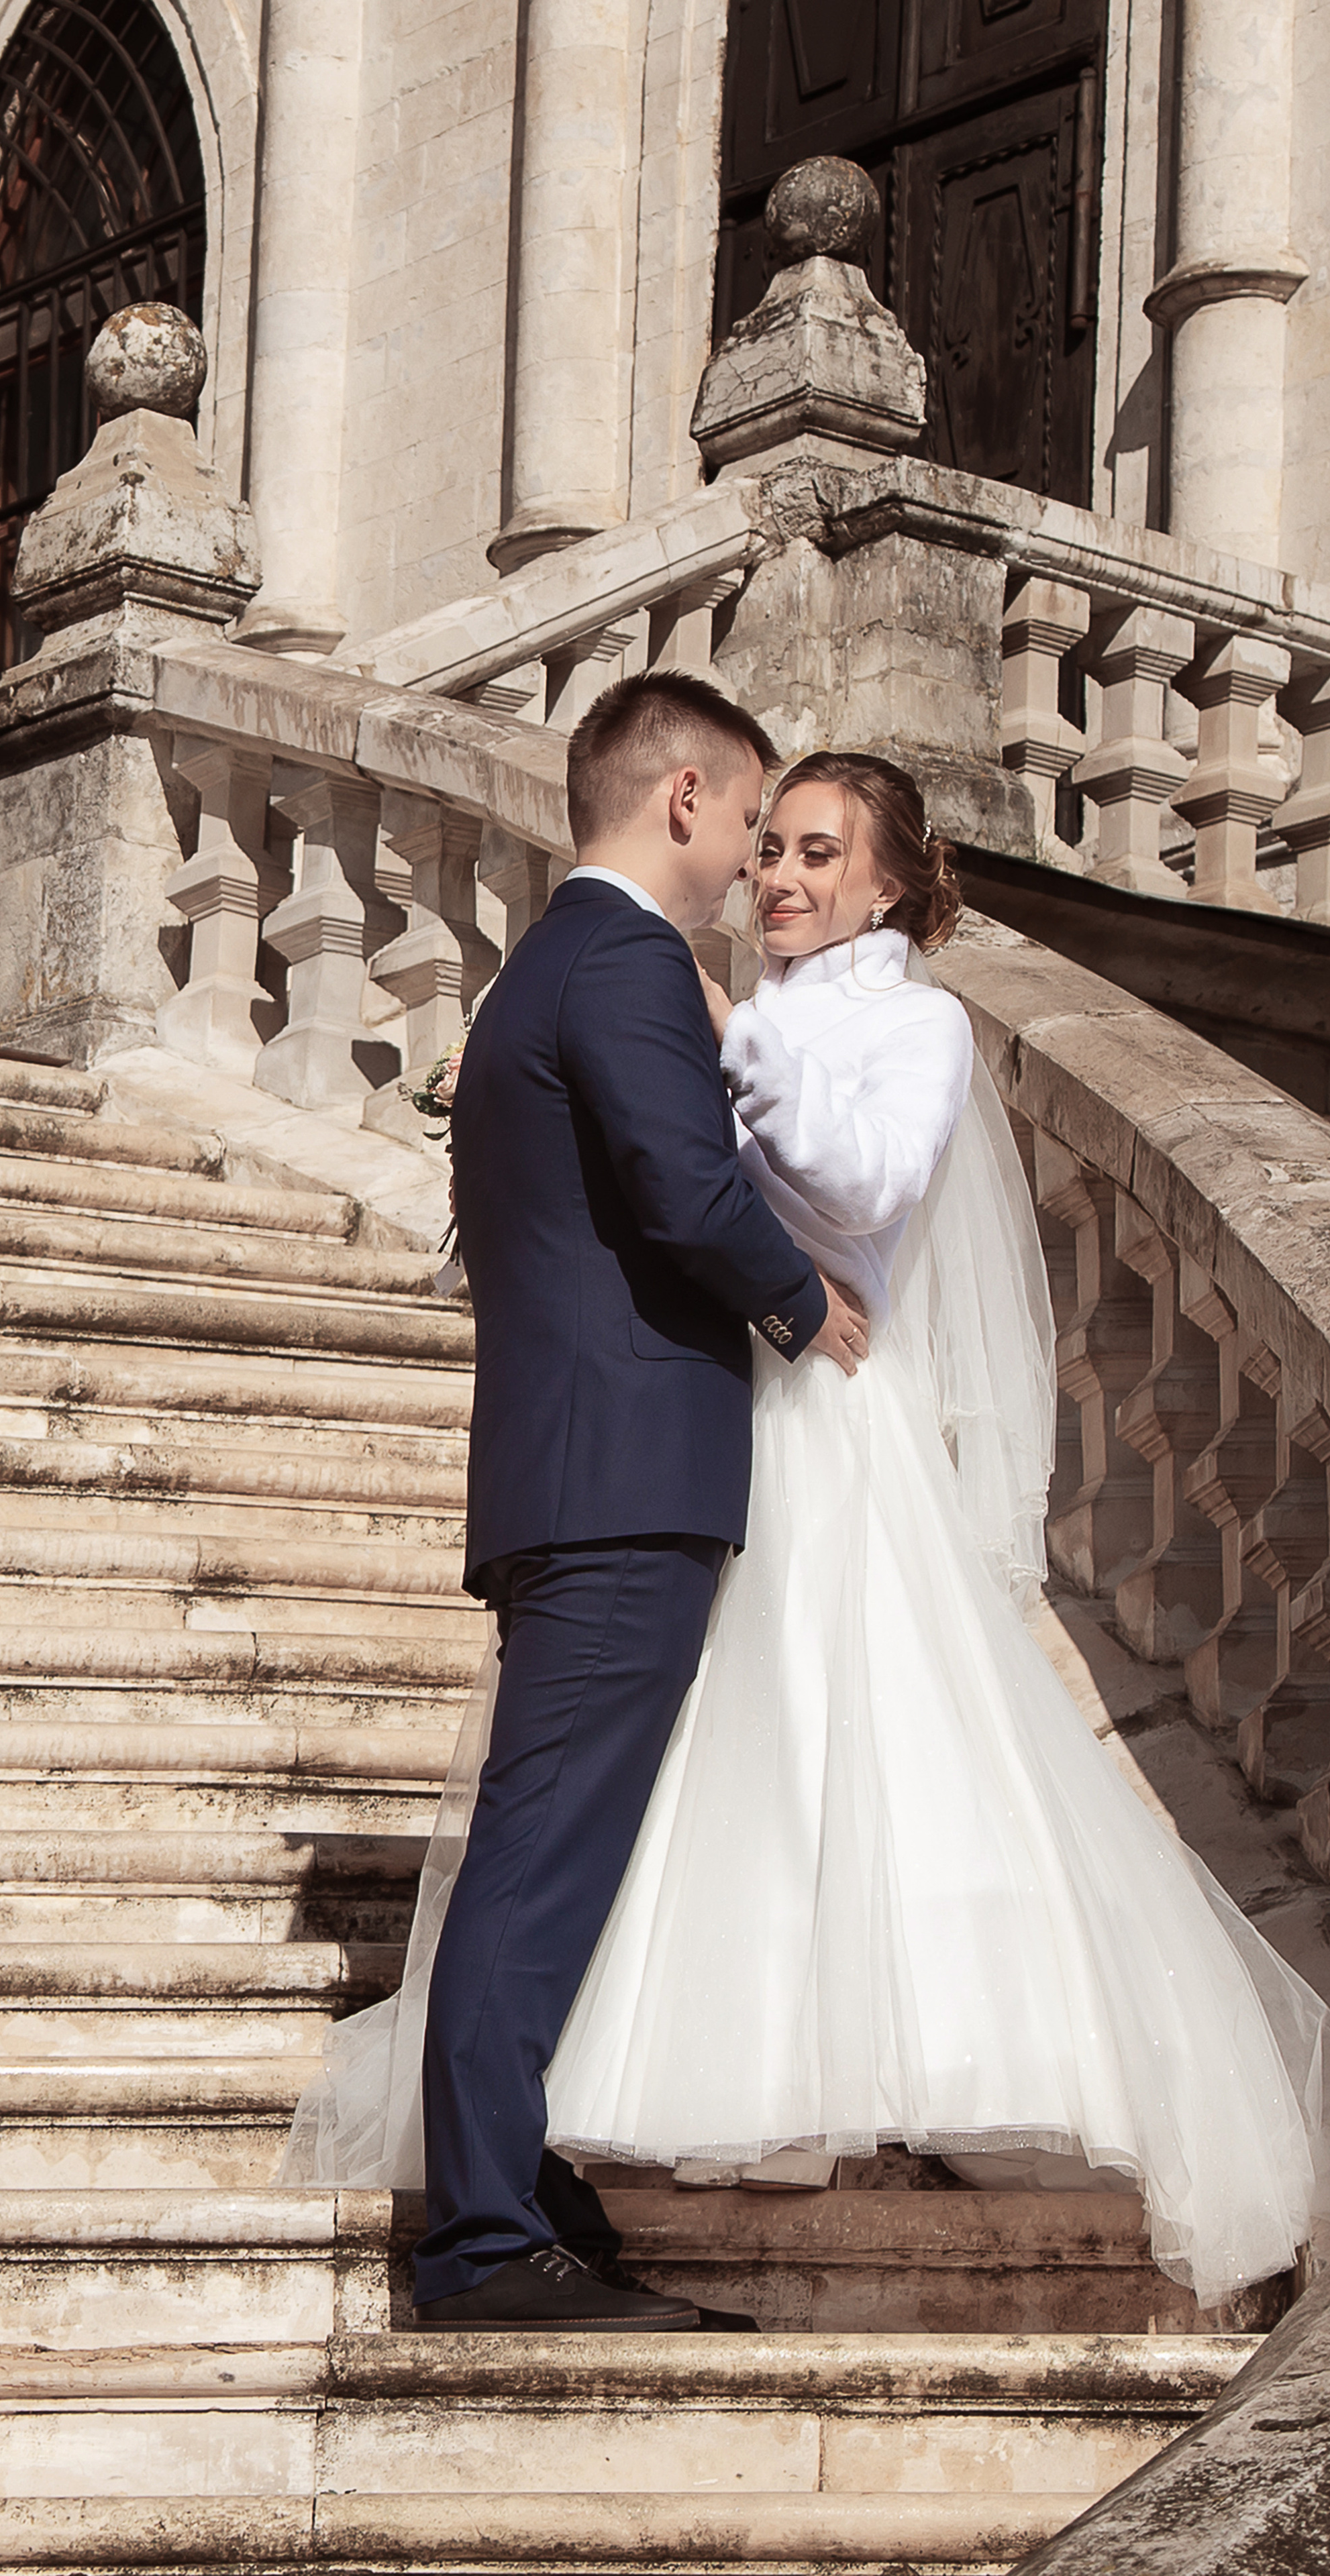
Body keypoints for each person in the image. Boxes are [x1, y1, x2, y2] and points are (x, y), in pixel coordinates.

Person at [285, 743, 1330, 2319]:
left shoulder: (908, 1023)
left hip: (819, 1405)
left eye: (815, 854)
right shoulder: (683, 993)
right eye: (770, 844)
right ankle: (539, 2161)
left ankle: (792, 2100)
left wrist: (741, 1069)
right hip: (715, 1417)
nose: (778, 877)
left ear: (885, 880)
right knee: (665, 1784)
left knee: (847, 1732)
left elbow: (862, 1186)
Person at [285, 674, 868, 2334]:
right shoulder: (615, 959)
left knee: (549, 1847)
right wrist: (794, 1302)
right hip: (618, 1474)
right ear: (682, 796)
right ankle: (478, 2236)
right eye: (753, 820)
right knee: (541, 1857)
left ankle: (511, 2182)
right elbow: (680, 1185)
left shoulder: (550, 963)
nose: (756, 859)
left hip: (579, 1470)